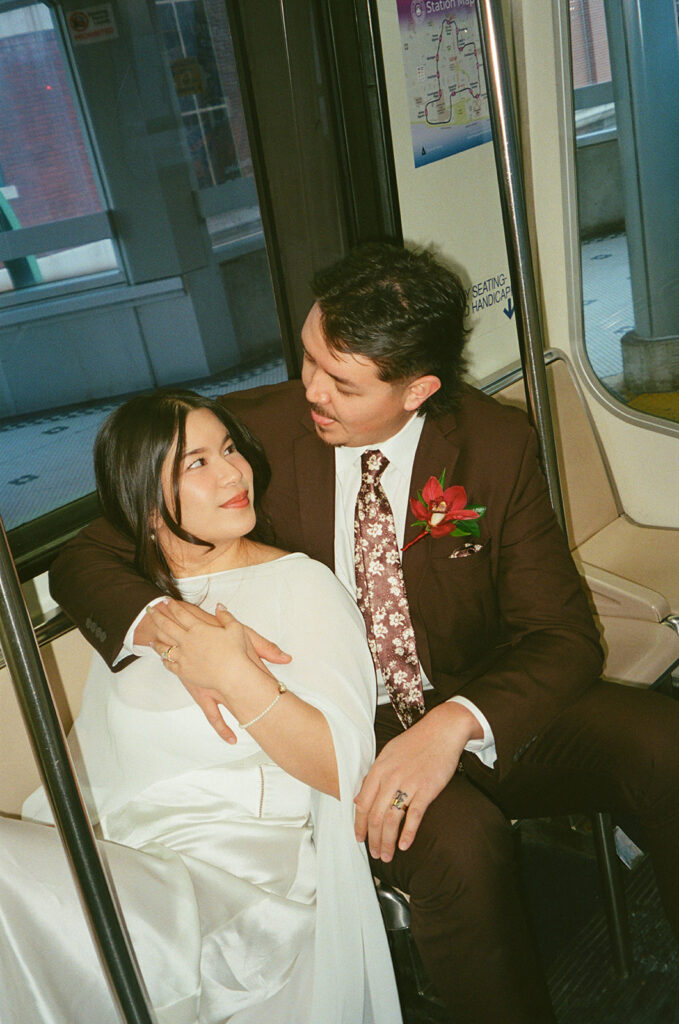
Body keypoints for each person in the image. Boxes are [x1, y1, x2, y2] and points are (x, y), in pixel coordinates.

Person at [50, 243, 679, 1023]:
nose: (310, 388)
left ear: (417, 389)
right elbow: (87, 555)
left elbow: (561, 636)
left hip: (472, 706)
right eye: (309, 357)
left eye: (340, 382)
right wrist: (176, 636)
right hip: (342, 733)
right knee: (458, 847)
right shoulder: (257, 434)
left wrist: (455, 724)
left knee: (665, 740)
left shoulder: (493, 444)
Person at [2, 390, 402, 1024]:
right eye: (196, 464)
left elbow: (341, 765)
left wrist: (234, 676)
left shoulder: (301, 584)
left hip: (236, 890)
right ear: (146, 504)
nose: (233, 473)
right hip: (128, 864)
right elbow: (71, 572)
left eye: (230, 450)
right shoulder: (140, 608)